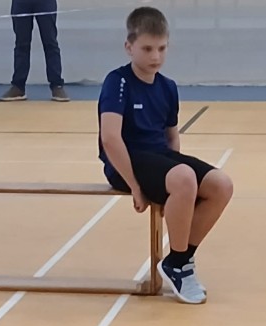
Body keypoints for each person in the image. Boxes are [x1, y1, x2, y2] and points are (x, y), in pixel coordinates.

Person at [96, 6, 233, 304]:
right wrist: (135, 186)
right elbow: (110, 138)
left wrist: (175, 186)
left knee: (221, 185)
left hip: (158, 158)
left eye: (161, 48)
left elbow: (171, 137)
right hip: (125, 162)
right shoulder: (118, 82)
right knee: (183, 178)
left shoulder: (168, 87)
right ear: (129, 47)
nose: (155, 56)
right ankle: (180, 267)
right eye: (147, 49)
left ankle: (179, 259)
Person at [0, 0, 69, 103]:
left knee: (50, 43)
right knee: (21, 44)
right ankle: (18, 87)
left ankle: (57, 85)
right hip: (21, 3)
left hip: (45, 2)